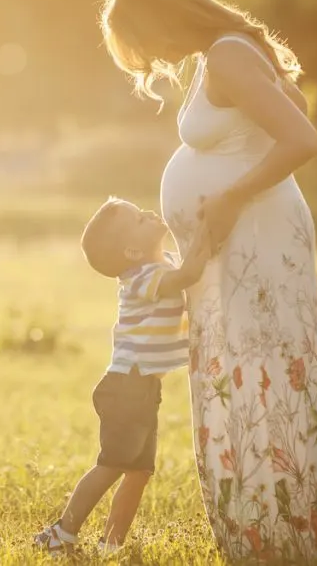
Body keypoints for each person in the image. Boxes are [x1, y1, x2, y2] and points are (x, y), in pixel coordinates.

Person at [99, 0, 317, 561]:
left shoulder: (226, 55)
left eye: (144, 43)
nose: (151, 61)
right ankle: (268, 524)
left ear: (165, 16)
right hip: (240, 244)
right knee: (245, 374)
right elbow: (284, 108)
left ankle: (290, 530)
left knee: (263, 374)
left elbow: (301, 136)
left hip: (258, 240)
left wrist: (228, 196)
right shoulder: (220, 56)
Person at [34, 197, 210, 555]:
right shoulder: (142, 278)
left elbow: (187, 266)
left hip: (142, 388)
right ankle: (61, 533)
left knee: (139, 471)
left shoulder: (163, 264)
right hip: (126, 388)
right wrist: (209, 223)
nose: (149, 213)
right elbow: (191, 274)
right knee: (113, 464)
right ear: (132, 250)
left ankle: (111, 546)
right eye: (139, 219)